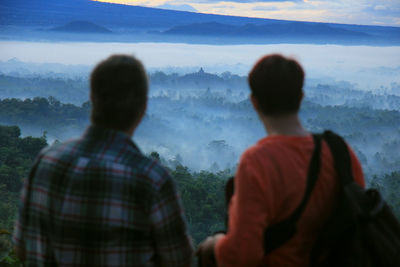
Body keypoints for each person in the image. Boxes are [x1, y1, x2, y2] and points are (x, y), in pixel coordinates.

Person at [13, 55, 193, 266]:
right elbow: (179, 261)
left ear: (92, 98)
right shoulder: (151, 179)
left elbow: (22, 248)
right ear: (143, 108)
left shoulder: (46, 162)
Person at [197, 54, 365, 267]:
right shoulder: (340, 153)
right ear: (301, 97)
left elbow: (243, 255)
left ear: (254, 102)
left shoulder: (258, 162)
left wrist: (214, 244)